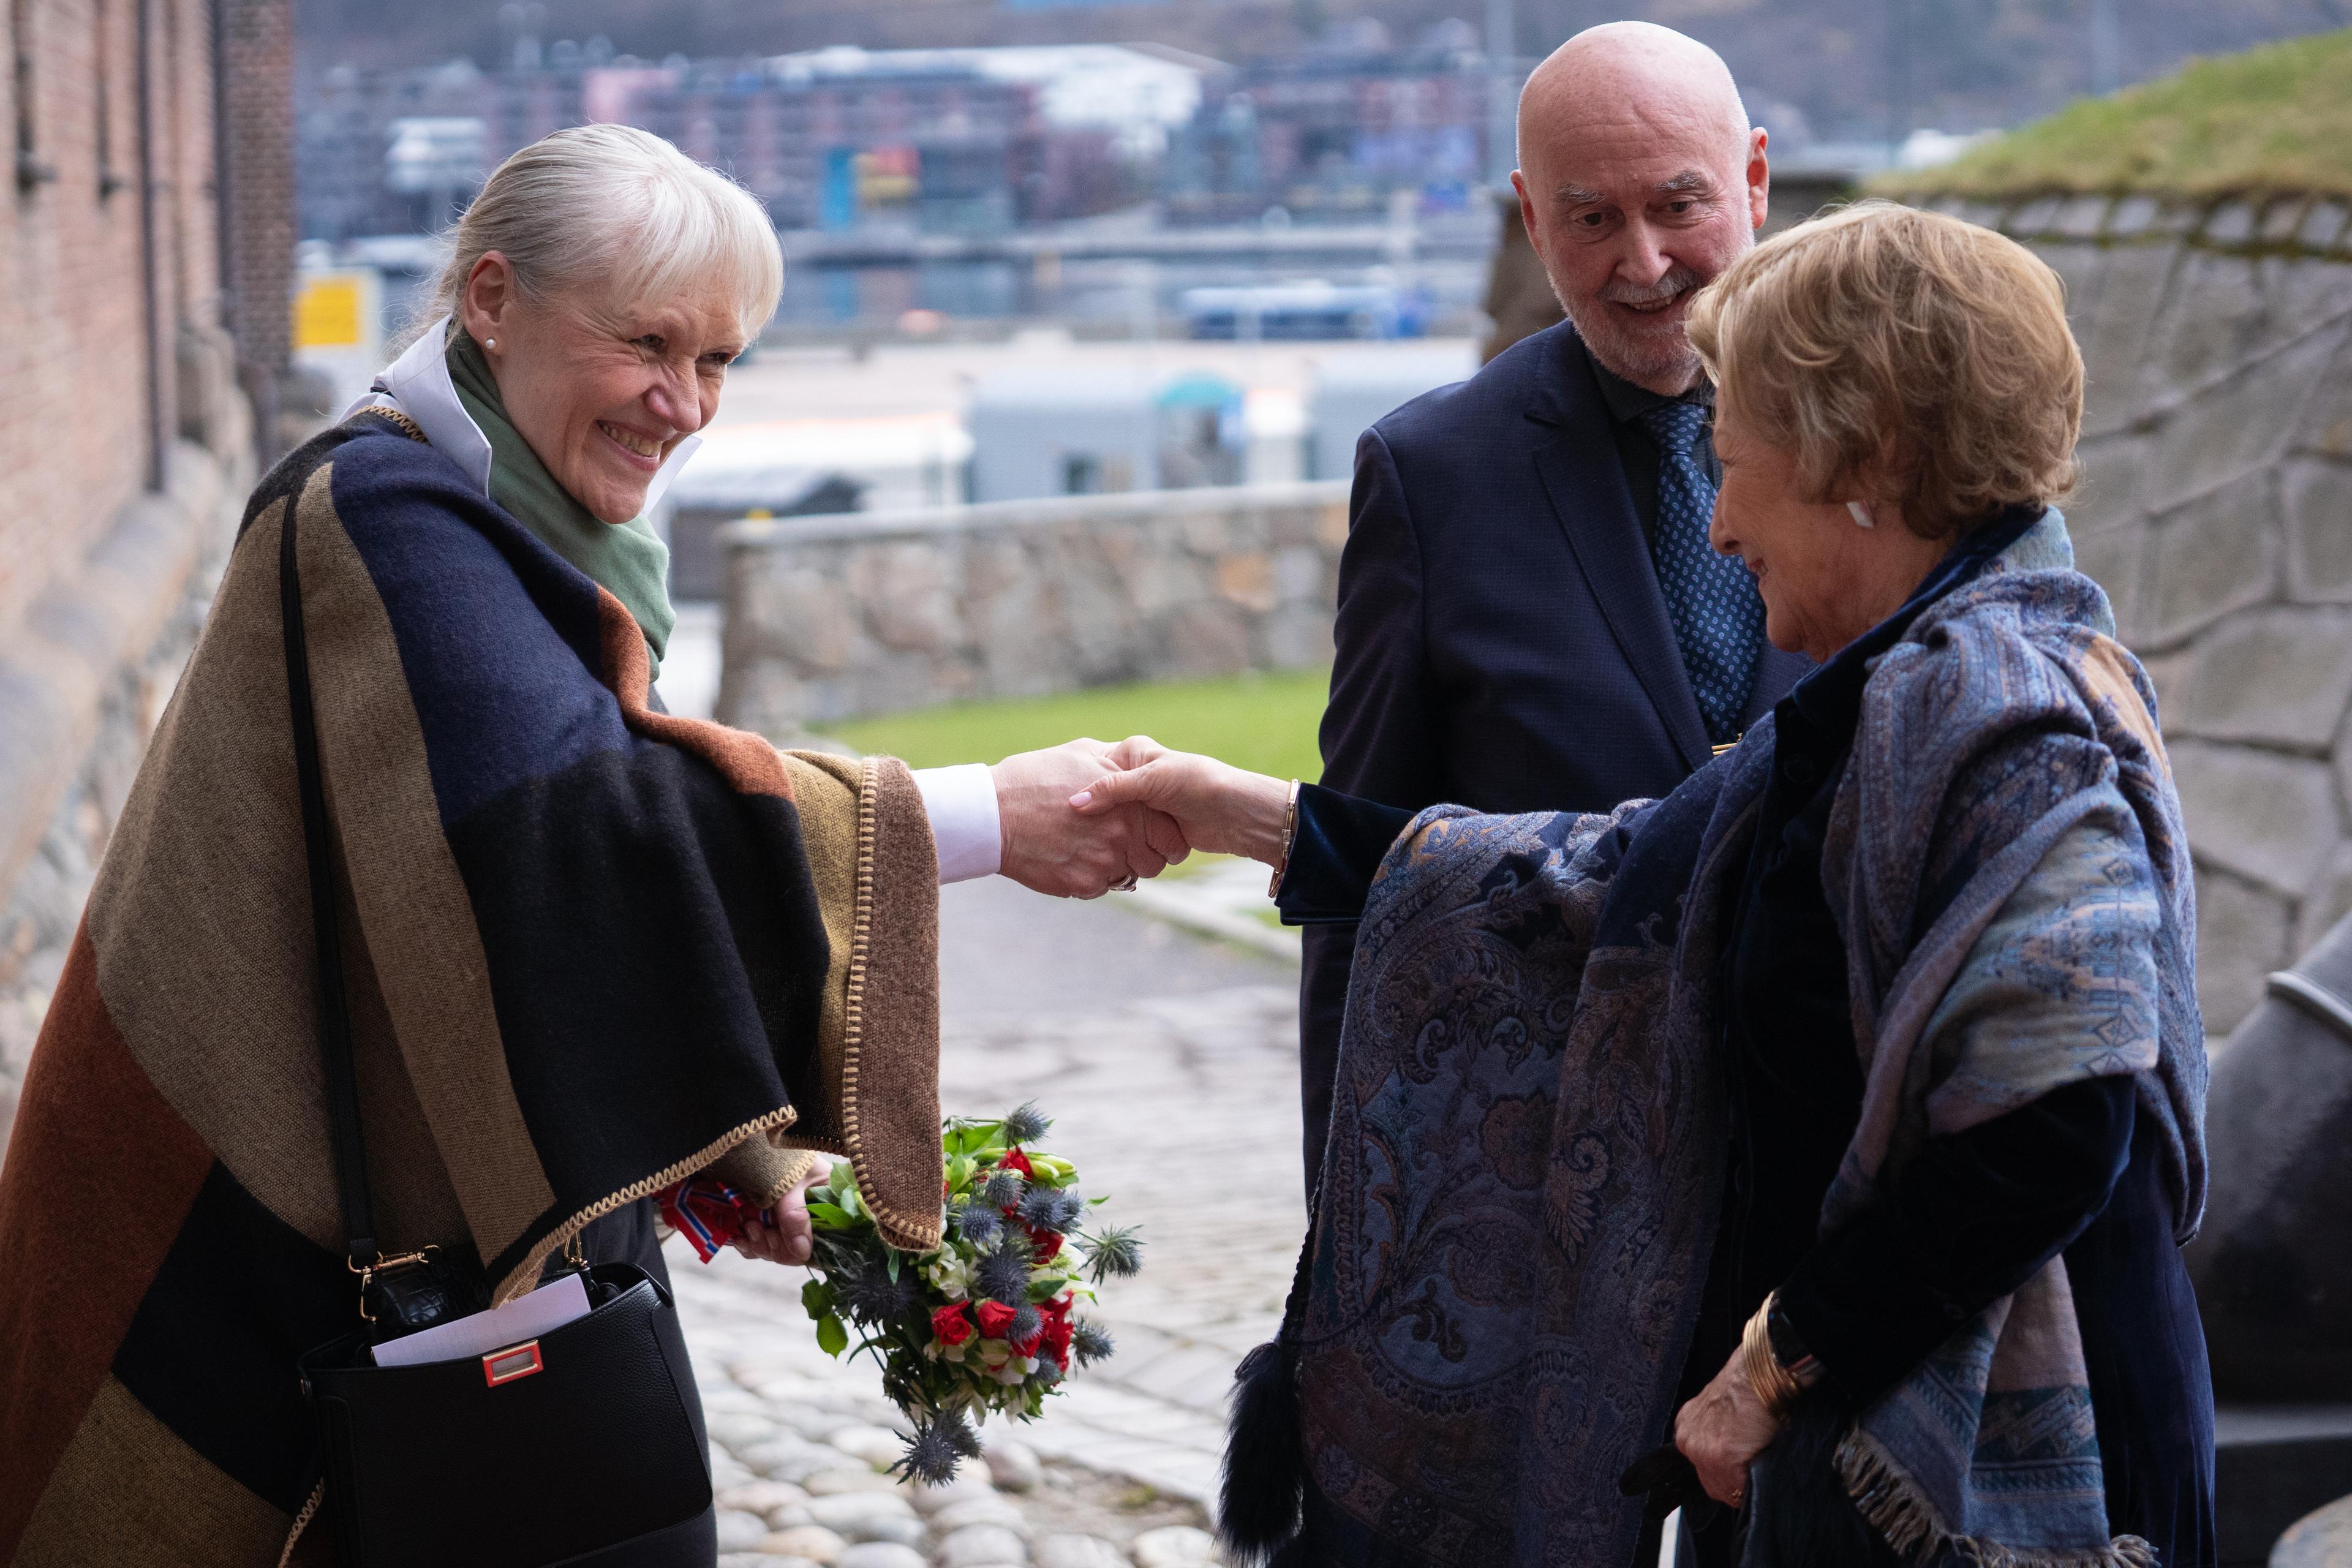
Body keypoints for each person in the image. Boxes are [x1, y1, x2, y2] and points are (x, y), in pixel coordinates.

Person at [0, 125, 1178, 1567]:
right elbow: (569, 840)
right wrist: (986, 815)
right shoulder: (378, 518)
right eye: (648, 342)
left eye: (722, 359)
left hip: (437, 1297)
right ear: (490, 300)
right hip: (247, 1266)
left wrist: (725, 1167)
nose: (682, 402)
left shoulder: (521, 524)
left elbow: (493, 934)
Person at [1076, 204, 2215, 1567]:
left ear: (1872, 462)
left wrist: (1772, 1365)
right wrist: (1255, 818)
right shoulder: (1909, 686)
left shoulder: (2012, 718)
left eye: (1739, 466)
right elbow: (1617, 870)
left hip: (2021, 1477)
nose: (1720, 524)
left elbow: (2053, 1125)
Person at [1299, 21, 1811, 1199]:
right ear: (1532, 221)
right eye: (1590, 220)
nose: (1644, 265)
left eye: (1681, 207)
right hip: (1543, 1189)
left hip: (1831, 1181)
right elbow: (1360, 888)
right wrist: (1345, 1237)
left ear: (1756, 181)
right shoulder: (1434, 474)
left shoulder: (1881, 435)